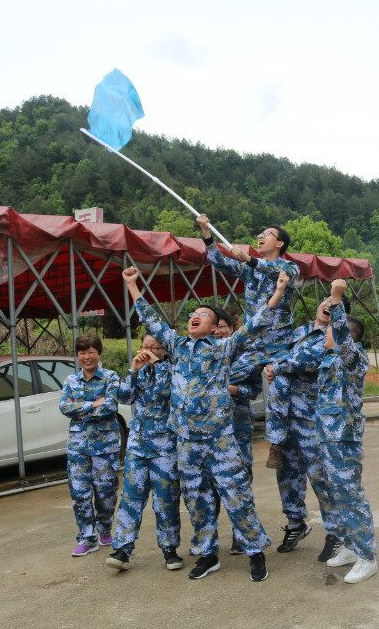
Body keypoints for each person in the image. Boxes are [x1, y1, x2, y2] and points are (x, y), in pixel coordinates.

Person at [123, 264, 290, 582]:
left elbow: (256, 324)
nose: (194, 317)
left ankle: (255, 552)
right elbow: (150, 319)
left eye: (202, 314)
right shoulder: (176, 346)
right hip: (187, 442)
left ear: (213, 326)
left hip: (219, 439)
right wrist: (132, 285)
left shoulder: (223, 349)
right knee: (196, 499)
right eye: (192, 314)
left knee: (236, 494)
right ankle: (207, 554)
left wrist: (278, 291)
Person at [196, 214, 299, 469]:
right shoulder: (249, 270)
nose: (260, 237)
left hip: (279, 343)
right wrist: (206, 232)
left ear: (280, 244)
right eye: (260, 234)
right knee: (224, 377)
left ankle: (276, 443)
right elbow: (218, 261)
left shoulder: (289, 267)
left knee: (280, 385)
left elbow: (277, 272)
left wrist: (249, 259)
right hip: (252, 343)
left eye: (267, 234)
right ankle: (212, 428)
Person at [262, 296, 344, 559]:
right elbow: (279, 353)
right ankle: (295, 523)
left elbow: (307, 360)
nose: (327, 306)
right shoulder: (300, 331)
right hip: (284, 417)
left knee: (320, 475)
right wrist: (274, 367)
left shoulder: (334, 337)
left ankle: (336, 532)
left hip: (311, 417)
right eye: (325, 301)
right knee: (287, 474)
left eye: (334, 305)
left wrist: (278, 367)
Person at [105, 333, 184, 572]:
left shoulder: (172, 370)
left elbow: (166, 391)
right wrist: (133, 370)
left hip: (164, 449)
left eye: (153, 347)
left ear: (163, 349)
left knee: (166, 501)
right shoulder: (138, 372)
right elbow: (122, 396)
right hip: (137, 447)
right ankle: (122, 549)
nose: (147, 351)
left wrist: (157, 365)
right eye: (144, 346)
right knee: (131, 499)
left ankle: (170, 549)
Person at [318, 280, 378, 583]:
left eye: (329, 330)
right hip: (327, 437)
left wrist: (336, 299)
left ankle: (367, 556)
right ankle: (351, 546)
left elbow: (341, 339)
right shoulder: (329, 361)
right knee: (335, 494)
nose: (325, 335)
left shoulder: (353, 359)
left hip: (344, 437)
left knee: (350, 495)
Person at [59, 334, 121, 557]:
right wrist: (92, 404)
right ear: (77, 356)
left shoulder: (111, 377)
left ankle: (104, 528)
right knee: (79, 493)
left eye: (91, 352)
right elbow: (63, 407)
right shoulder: (70, 380)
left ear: (99, 354)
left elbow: (110, 406)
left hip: (105, 447)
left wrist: (79, 409)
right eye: (82, 352)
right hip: (78, 448)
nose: (87, 357)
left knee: (106, 493)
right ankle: (86, 537)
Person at [213, 309, 263, 556]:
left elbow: (254, 390)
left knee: (241, 480)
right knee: (208, 485)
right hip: (209, 430)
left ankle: (241, 535)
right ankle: (208, 540)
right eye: (214, 327)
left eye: (222, 326)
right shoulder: (199, 353)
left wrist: (232, 389)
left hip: (237, 426)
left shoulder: (247, 355)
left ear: (232, 328)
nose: (218, 331)